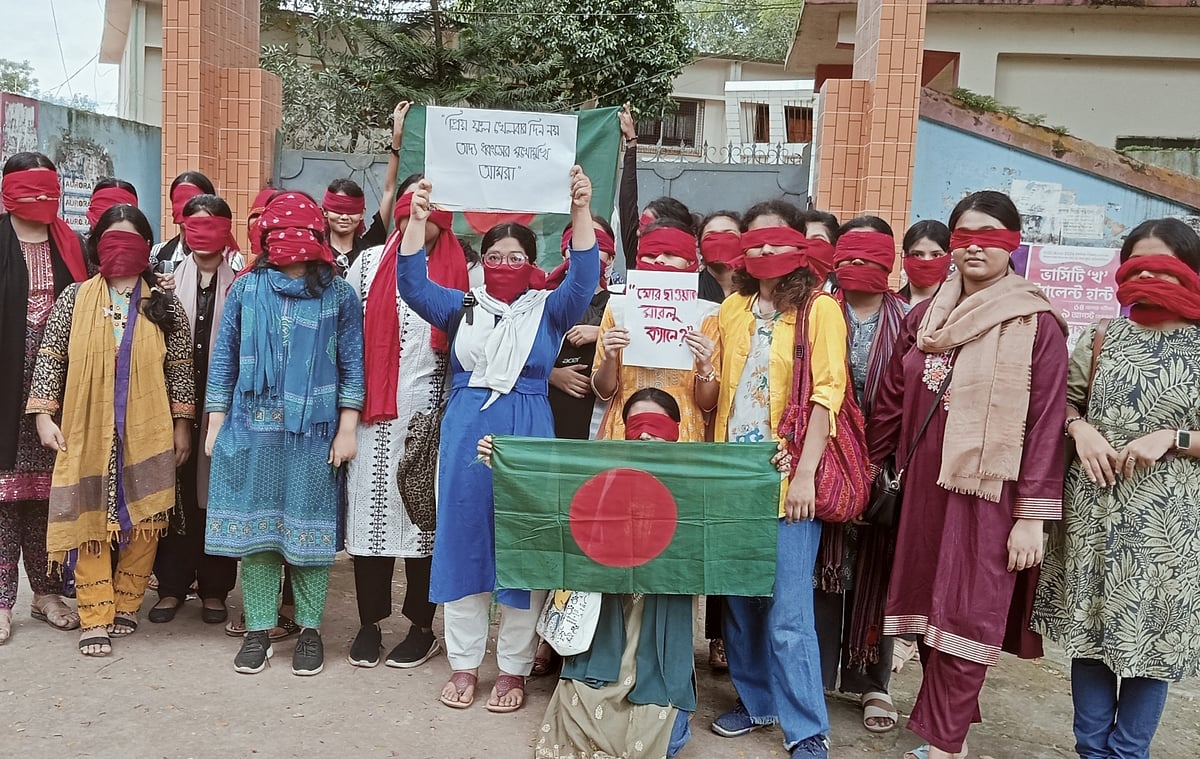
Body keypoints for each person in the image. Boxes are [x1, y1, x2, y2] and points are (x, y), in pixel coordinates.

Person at [867, 190, 1068, 759]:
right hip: (925, 490)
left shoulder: (1038, 323)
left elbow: (1047, 421)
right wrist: (870, 469)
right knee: (926, 606)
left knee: (967, 609)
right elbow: (890, 397)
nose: (976, 245)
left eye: (992, 235)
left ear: (1014, 244)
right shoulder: (927, 316)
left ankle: (944, 743)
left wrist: (1032, 515)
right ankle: (942, 719)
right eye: (965, 235)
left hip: (990, 495)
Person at [394, 167, 598, 713]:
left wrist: (581, 210)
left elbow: (584, 278)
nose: (505, 265)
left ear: (530, 263)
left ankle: (512, 671)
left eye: (516, 257)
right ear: (481, 261)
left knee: (522, 549)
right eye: (495, 255)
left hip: (531, 431)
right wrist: (417, 218)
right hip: (466, 431)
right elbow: (409, 282)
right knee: (465, 542)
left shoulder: (550, 308)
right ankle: (464, 664)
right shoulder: (460, 306)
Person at [1033, 218, 1200, 759]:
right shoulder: (1102, 334)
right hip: (1092, 514)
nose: (1149, 276)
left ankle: (1127, 754)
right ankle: (1090, 750)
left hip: (1166, 526)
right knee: (1090, 636)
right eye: (1138, 266)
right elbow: (1062, 402)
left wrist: (1170, 438)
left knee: (1148, 641)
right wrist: (1079, 430)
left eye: (1165, 267)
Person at [203, 191, 365, 676]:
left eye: (300, 234)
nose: (290, 243)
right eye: (279, 234)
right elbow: (224, 360)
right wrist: (215, 424)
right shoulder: (246, 290)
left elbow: (353, 366)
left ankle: (311, 630)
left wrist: (348, 429)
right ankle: (258, 629)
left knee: (308, 533)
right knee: (258, 533)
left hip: (313, 435)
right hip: (251, 429)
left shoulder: (340, 295)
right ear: (266, 239)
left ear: (318, 237)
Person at [709, 199, 847, 759]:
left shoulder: (820, 308)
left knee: (790, 611)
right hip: (732, 476)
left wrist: (805, 476)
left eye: (776, 240)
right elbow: (717, 393)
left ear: (800, 246)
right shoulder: (732, 309)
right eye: (755, 241)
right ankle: (755, 699)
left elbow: (827, 393)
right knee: (741, 602)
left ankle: (807, 727)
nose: (764, 250)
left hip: (788, 474)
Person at [27, 203, 194, 656]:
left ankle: (127, 602)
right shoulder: (75, 298)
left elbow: (180, 365)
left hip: (148, 427)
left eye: (132, 239)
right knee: (90, 520)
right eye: (112, 238)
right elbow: (50, 358)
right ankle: (95, 614)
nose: (121, 248)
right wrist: (44, 414)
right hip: (87, 428)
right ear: (98, 245)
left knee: (145, 517)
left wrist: (183, 423)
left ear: (146, 247)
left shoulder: (162, 301)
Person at [343, 173, 470, 670]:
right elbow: (350, 343)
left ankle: (422, 627)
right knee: (371, 524)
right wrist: (348, 416)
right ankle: (369, 624)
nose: (419, 213)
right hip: (374, 416)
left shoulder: (467, 272)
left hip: (434, 418)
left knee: (425, 527)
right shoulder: (369, 262)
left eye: (429, 205)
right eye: (412, 203)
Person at [815, 216, 910, 733]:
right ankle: (820, 670)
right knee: (823, 567)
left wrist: (878, 461)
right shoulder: (817, 311)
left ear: (888, 262)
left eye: (870, 259)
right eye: (848, 257)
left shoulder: (911, 321)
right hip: (825, 458)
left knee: (876, 567)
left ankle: (873, 682)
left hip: (885, 464)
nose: (857, 268)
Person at [0, 151, 92, 643]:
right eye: (29, 190)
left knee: (45, 493)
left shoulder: (70, 243)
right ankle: (1, 600)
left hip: (57, 382)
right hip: (4, 382)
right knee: (4, 497)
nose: (40, 200)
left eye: (46, 190)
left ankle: (47, 591)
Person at [147, 194, 240, 626]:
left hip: (227, 405)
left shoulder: (242, 280)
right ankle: (171, 585)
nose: (203, 237)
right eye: (194, 226)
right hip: (170, 402)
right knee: (176, 491)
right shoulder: (161, 280)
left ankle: (215, 588)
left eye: (213, 226)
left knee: (218, 494)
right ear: (183, 228)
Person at [592, 220, 719, 443]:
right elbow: (603, 391)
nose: (659, 260)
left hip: (683, 435)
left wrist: (705, 365)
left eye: (670, 253)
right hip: (626, 429)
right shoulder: (618, 309)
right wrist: (610, 357)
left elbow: (708, 403)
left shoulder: (709, 316)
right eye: (650, 254)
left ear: (691, 261)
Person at [324, 100, 410, 274]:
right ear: (325, 212)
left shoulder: (370, 249)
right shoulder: (315, 252)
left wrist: (397, 137)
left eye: (350, 211)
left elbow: (389, 190)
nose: (344, 216)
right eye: (338, 210)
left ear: (362, 213)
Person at [615, 103, 695, 287]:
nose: (637, 231)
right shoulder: (636, 255)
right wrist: (631, 142)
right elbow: (627, 204)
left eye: (647, 226)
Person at [151, 171, 217, 269]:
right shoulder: (158, 252)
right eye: (179, 201)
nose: (185, 208)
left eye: (193, 202)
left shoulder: (230, 258)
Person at [899, 220, 952, 304]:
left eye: (936, 255)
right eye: (917, 254)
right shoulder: (890, 307)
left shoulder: (958, 306)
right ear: (905, 254)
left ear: (948, 256)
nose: (927, 260)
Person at [698, 210, 743, 301]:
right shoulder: (689, 289)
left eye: (729, 235)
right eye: (710, 236)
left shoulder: (759, 288)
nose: (719, 242)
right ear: (699, 247)